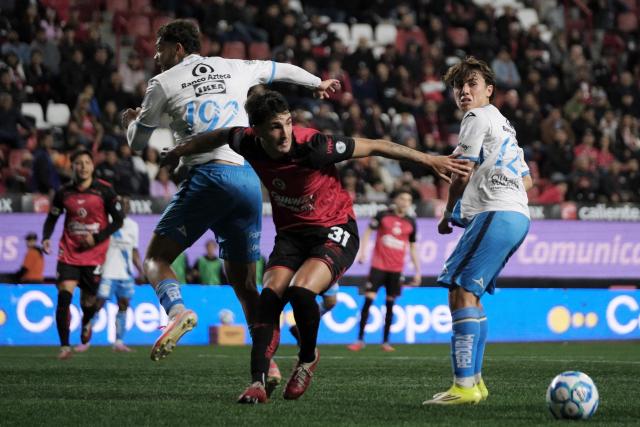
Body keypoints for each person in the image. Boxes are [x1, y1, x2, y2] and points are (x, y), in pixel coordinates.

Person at [160, 90, 472, 404]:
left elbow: (376, 146)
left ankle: (307, 359)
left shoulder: (315, 145)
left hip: (335, 230)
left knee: (299, 291)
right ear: (257, 130)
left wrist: (430, 159)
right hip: (292, 235)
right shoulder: (246, 141)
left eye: (287, 123)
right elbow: (216, 136)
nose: (284, 133)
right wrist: (179, 151)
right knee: (268, 297)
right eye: (274, 127)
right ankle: (257, 382)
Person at [121, 19, 341, 362]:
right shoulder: (234, 66)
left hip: (207, 176)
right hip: (246, 180)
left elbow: (138, 144)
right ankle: (267, 366)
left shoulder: (161, 83)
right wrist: (318, 84)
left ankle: (177, 311)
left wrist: (130, 123)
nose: (156, 55)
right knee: (244, 285)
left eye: (160, 48)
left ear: (178, 49)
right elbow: (280, 68)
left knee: (155, 258)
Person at [422, 57, 531, 405]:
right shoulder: (504, 124)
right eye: (459, 86)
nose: (465, 91)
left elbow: (462, 171)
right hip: (517, 215)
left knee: (459, 292)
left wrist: (449, 211)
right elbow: (527, 178)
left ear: (489, 89)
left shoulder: (476, 117)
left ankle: (464, 387)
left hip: (497, 212)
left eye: (472, 84)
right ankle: (476, 383)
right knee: (470, 293)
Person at [41, 149, 124, 360]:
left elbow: (119, 220)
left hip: (95, 255)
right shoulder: (63, 193)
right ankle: (65, 346)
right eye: (79, 163)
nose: (83, 166)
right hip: (68, 253)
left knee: (88, 302)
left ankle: (87, 322)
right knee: (63, 297)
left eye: (87, 162)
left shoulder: (105, 191)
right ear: (73, 167)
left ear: (92, 166)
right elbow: (52, 218)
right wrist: (46, 237)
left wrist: (96, 238)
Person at [347, 189, 420, 353]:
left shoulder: (411, 222)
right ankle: (359, 339)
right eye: (402, 198)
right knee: (368, 301)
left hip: (396, 270)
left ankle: (386, 341)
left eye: (408, 200)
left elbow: (413, 247)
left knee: (390, 305)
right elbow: (367, 232)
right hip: (378, 266)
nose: (405, 202)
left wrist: (417, 270)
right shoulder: (383, 215)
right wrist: (363, 251)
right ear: (396, 199)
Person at [93, 195, 143, 353]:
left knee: (124, 306)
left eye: (127, 204)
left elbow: (134, 250)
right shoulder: (106, 221)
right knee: (98, 303)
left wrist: (141, 270)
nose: (125, 206)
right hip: (107, 271)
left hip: (126, 274)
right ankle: (85, 338)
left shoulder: (133, 226)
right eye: (122, 204)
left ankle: (119, 342)